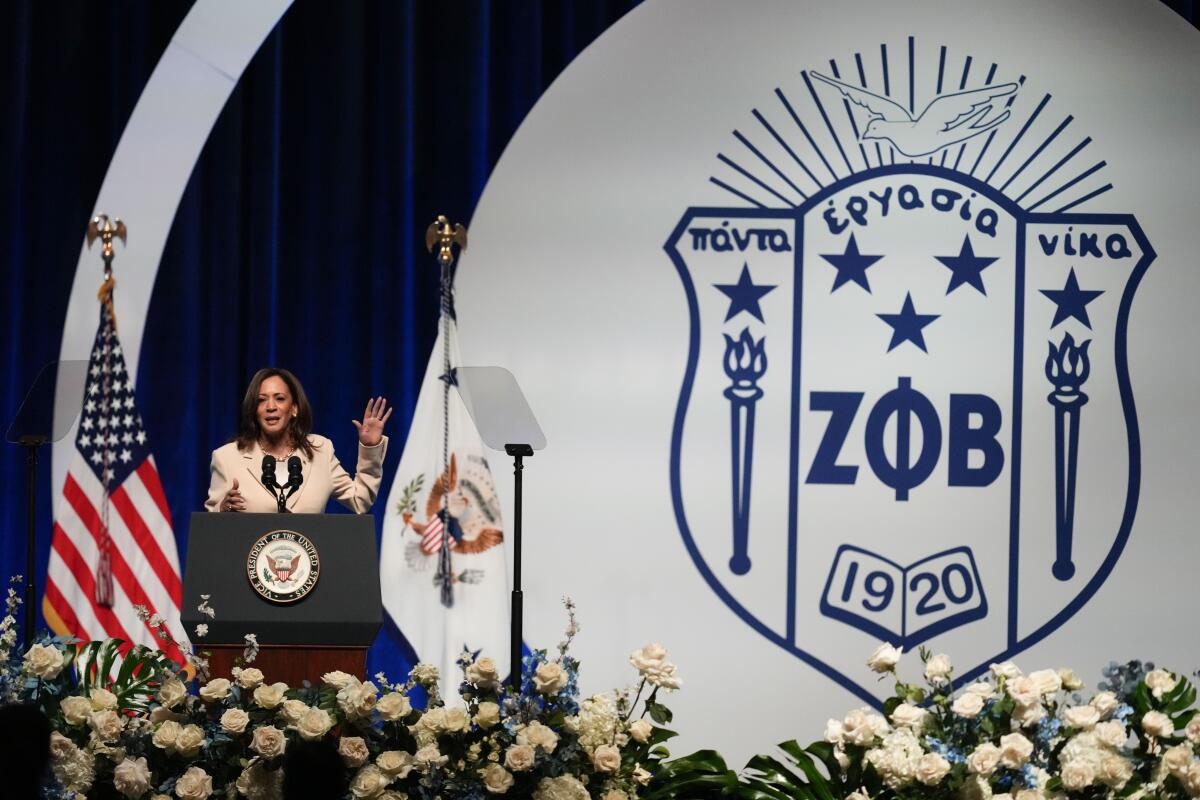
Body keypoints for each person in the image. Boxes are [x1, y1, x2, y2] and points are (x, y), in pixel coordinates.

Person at [205, 367, 391, 514]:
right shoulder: (227, 457)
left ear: (294, 408)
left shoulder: (321, 451)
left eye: (279, 399)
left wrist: (370, 447)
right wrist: (223, 509)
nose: (271, 407)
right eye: (261, 400)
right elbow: (211, 528)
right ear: (254, 410)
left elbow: (360, 500)